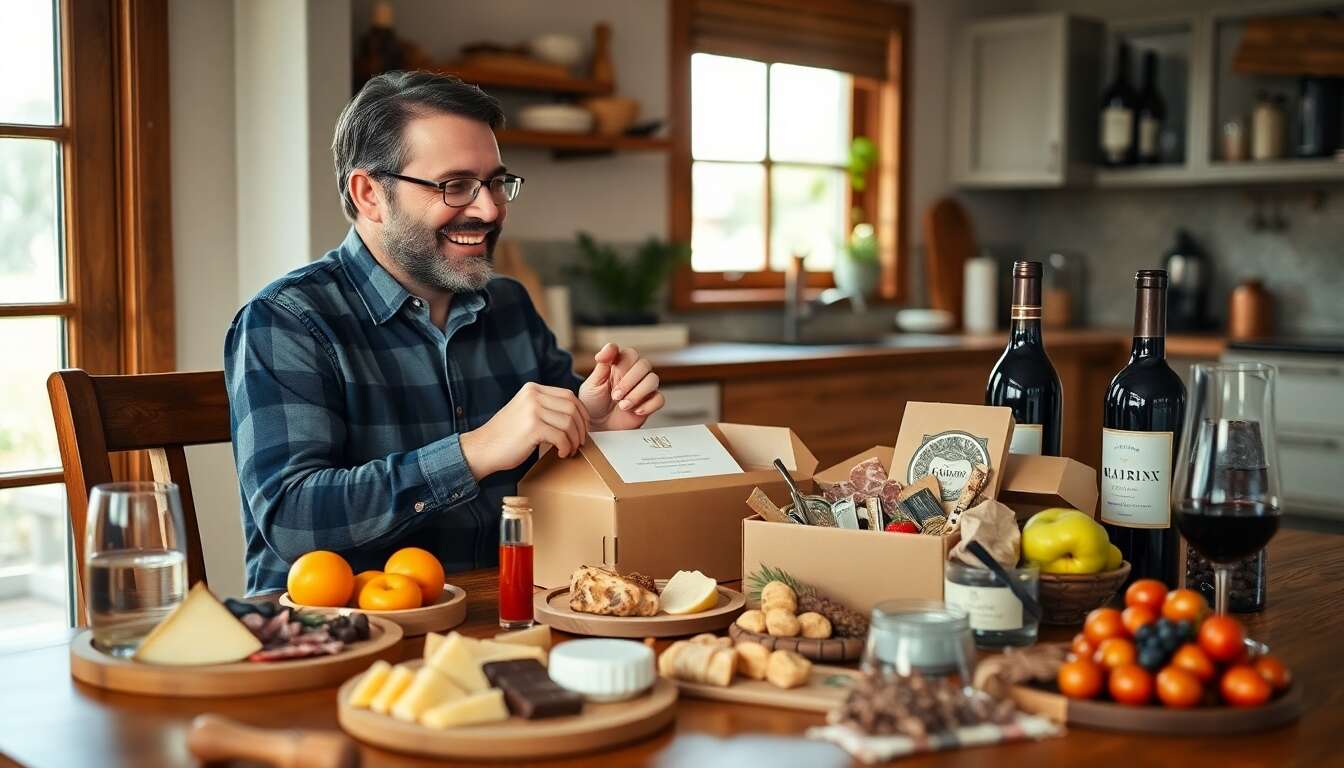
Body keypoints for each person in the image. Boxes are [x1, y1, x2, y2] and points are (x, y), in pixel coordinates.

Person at [225, 71, 664, 595]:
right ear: (370, 195)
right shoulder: (287, 319)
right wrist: (475, 450)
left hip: (504, 605)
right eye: (455, 186)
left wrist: (595, 429)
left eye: (496, 182)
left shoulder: (510, 305)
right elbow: (291, 518)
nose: (490, 209)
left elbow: (558, 485)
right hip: (344, 625)